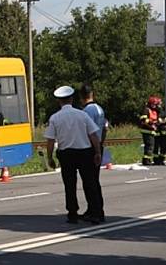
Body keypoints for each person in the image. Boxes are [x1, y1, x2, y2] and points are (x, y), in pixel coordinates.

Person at [45, 85, 104, 225]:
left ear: (59, 101)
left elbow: (50, 140)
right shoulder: (82, 114)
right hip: (84, 153)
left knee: (69, 185)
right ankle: (96, 213)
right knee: (90, 183)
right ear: (71, 99)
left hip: (66, 154)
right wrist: (97, 152)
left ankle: (72, 213)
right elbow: (93, 135)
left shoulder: (55, 118)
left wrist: (49, 157)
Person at [79, 84, 107, 222]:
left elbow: (88, 132)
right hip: (99, 146)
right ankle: (95, 209)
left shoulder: (86, 112)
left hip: (90, 148)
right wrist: (100, 146)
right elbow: (105, 128)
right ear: (92, 94)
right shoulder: (99, 109)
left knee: (89, 182)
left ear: (81, 97)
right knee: (94, 180)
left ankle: (96, 212)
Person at [139, 96, 160, 166]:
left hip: (151, 131)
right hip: (146, 130)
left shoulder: (154, 111)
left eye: (155, 104)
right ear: (150, 103)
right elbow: (143, 120)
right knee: (149, 146)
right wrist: (151, 124)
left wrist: (156, 123)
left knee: (150, 146)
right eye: (153, 104)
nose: (154, 106)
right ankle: (146, 160)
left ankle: (147, 159)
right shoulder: (146, 110)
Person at [153, 97, 166, 166]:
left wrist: (163, 121)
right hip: (157, 132)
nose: (159, 104)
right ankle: (156, 160)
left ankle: (161, 160)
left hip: (163, 132)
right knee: (156, 147)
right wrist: (158, 122)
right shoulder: (154, 111)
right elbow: (154, 120)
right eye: (158, 103)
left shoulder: (162, 111)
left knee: (164, 146)